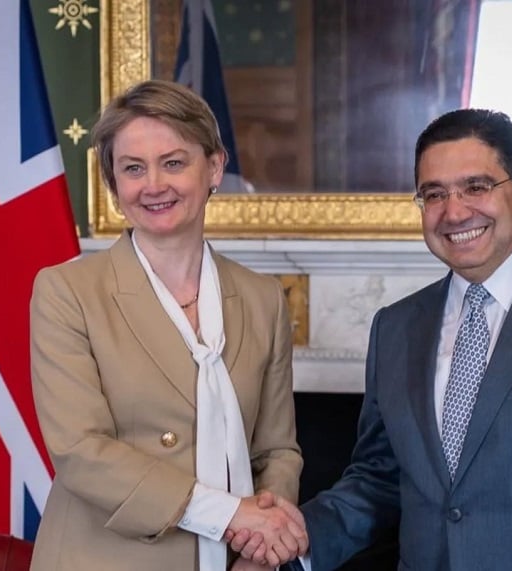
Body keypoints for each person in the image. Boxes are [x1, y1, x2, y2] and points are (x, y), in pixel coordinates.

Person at [230, 109, 512, 570]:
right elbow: (380, 480)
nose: (455, 211)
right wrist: (294, 540)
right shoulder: (396, 327)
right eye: (434, 194)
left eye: (476, 187)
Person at [29, 79, 307, 571]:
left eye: (174, 162)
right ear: (115, 186)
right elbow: (81, 451)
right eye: (133, 168)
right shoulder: (67, 292)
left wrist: (261, 551)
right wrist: (232, 517)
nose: (154, 184)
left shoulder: (263, 297)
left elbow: (277, 450)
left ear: (214, 167)